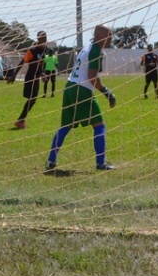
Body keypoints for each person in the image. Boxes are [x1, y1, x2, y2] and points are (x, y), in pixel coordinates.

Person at [45, 25, 117, 174]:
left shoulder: (87, 47)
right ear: (99, 36)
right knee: (99, 125)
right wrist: (106, 92)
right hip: (82, 90)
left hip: (69, 88)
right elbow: (92, 77)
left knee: (66, 126)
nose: (110, 40)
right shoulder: (96, 50)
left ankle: (51, 160)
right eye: (108, 36)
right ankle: (101, 163)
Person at [9, 31, 48, 129]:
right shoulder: (33, 50)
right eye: (41, 38)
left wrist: (42, 74)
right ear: (38, 39)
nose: (43, 40)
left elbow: (40, 65)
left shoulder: (46, 50)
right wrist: (14, 75)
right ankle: (20, 121)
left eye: (45, 38)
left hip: (37, 78)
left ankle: (21, 121)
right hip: (30, 78)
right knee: (32, 99)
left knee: (33, 100)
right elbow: (22, 62)